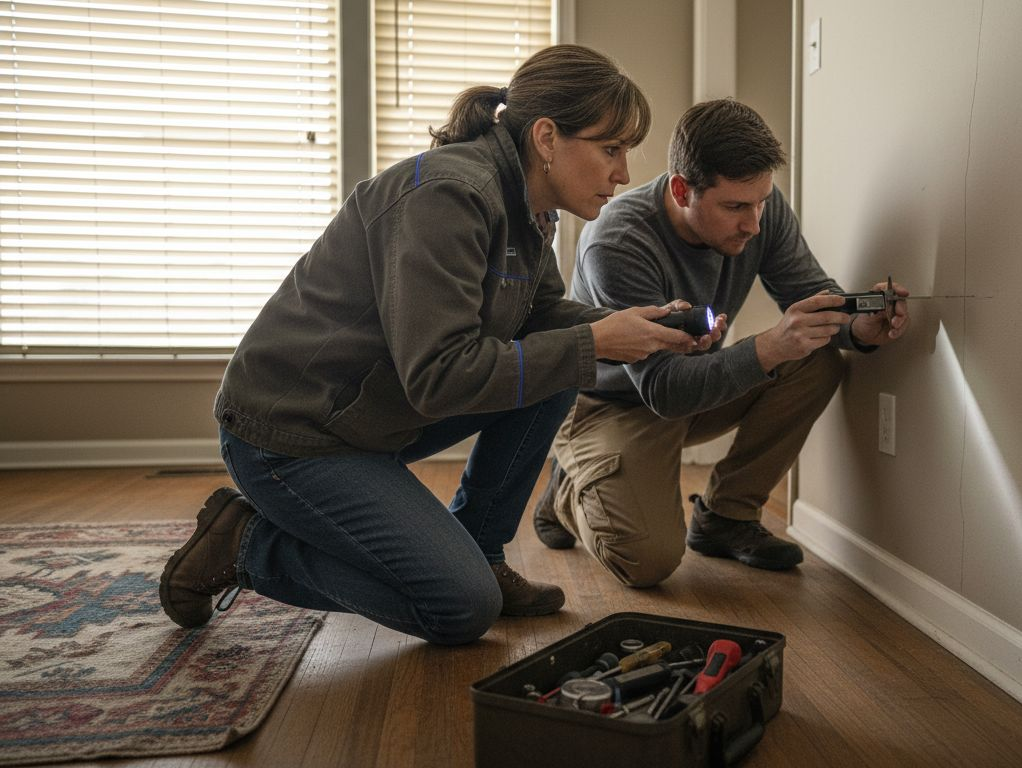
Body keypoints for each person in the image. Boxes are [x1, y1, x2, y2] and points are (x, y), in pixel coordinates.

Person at [158, 45, 716, 645]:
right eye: (611, 149)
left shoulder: (528, 205)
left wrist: (636, 328)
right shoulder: (449, 196)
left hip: (368, 416)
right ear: (547, 138)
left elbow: (542, 316)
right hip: (292, 436)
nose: (624, 173)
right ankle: (243, 545)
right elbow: (439, 377)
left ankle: (480, 549)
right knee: (458, 607)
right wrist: (592, 341)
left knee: (561, 364)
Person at [532, 98, 909, 587]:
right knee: (647, 561)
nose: (754, 224)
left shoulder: (760, 210)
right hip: (610, 404)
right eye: (734, 207)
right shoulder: (618, 242)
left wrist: (856, 330)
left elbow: (812, 297)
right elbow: (663, 390)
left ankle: (726, 518)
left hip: (690, 385)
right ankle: (570, 488)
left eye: (761, 202)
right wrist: (770, 347)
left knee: (816, 358)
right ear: (681, 189)